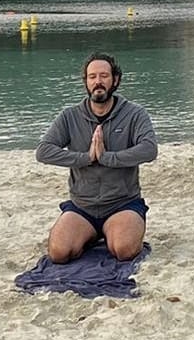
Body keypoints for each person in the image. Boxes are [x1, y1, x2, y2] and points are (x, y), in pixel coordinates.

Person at [35, 53, 158, 263]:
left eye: (103, 76)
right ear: (86, 82)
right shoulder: (70, 116)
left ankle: (116, 231)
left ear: (115, 80)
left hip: (122, 203)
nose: (98, 82)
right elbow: (43, 151)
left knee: (124, 250)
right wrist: (86, 157)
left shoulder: (135, 114)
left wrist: (107, 158)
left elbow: (149, 150)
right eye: (92, 77)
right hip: (82, 206)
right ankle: (90, 235)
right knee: (59, 253)